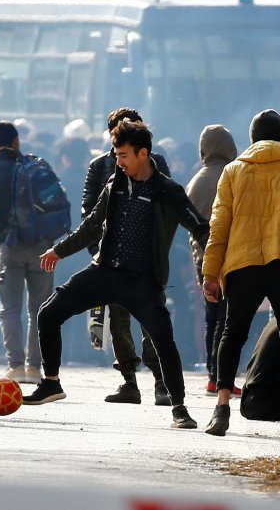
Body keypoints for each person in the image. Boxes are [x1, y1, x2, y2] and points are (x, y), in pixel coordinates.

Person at [25, 120, 206, 431]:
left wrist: (213, 266)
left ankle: (179, 408)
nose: (118, 161)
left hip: (142, 282)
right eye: (116, 154)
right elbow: (92, 226)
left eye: (123, 155)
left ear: (142, 153)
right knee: (48, 314)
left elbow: (200, 228)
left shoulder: (168, 190)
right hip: (104, 271)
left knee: (163, 339)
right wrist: (58, 251)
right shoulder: (115, 184)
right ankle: (51, 382)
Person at [201, 109, 280, 440]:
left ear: (252, 138)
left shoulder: (233, 171)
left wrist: (210, 271)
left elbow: (219, 224)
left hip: (242, 263)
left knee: (232, 334)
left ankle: (221, 408)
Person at [81, 107, 172, 406]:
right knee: (118, 322)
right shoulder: (99, 166)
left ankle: (160, 382)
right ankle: (130, 381)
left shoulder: (155, 162)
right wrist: (98, 252)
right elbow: (88, 213)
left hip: (145, 259)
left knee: (150, 319)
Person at [0, 121, 60, 384]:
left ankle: (16, 365)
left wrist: (1, 232)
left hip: (9, 247)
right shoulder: (37, 167)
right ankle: (34, 368)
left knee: (9, 308)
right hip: (42, 246)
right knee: (40, 309)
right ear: (17, 141)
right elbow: (57, 207)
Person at [183, 124, 238, 395]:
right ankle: (221, 375)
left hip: (201, 256)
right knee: (227, 319)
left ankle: (212, 375)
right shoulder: (233, 175)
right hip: (228, 255)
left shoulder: (195, 180)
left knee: (211, 317)